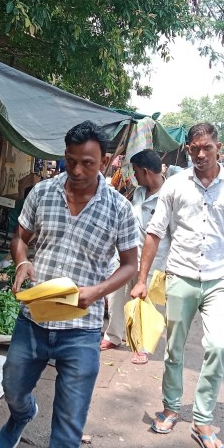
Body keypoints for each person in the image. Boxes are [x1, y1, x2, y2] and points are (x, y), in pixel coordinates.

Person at [0, 121, 139, 448]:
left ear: (105, 162)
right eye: (71, 161)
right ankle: (22, 413)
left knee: (70, 416)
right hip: (35, 316)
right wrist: (22, 262)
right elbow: (20, 237)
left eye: (87, 163)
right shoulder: (41, 193)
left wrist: (97, 291)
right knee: (12, 384)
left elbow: (130, 265)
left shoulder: (120, 209)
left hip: (82, 325)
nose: (77, 171)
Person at [130, 122, 224, 448]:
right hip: (180, 275)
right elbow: (154, 233)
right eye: (194, 149)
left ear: (218, 147)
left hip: (216, 280)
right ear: (187, 150)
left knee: (218, 344)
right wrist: (141, 279)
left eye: (207, 148)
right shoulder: (174, 186)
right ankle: (170, 408)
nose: (200, 154)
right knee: (174, 348)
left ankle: (201, 420)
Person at [101, 149, 170, 364]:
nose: (134, 176)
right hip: (128, 254)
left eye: (136, 172)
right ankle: (113, 336)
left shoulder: (170, 194)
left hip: (155, 259)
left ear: (146, 171)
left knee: (143, 303)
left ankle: (142, 346)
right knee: (116, 297)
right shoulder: (139, 192)